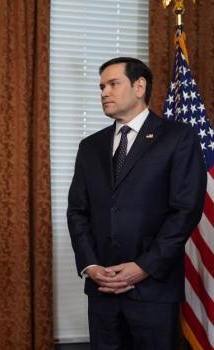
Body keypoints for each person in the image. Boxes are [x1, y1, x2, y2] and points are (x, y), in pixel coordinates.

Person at [67, 57, 206, 349]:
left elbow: (185, 210)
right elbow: (78, 212)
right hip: (102, 289)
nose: (104, 92)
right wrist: (90, 265)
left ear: (139, 86)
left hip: (153, 290)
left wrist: (144, 266)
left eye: (113, 84)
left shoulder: (179, 138)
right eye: (101, 86)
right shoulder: (90, 147)